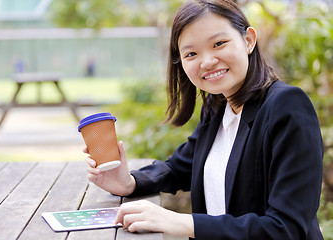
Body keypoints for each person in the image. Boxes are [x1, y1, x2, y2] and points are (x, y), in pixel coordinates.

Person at [85, 0, 324, 239]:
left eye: (219, 43)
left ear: (249, 40)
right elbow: (179, 168)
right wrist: (130, 182)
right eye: (191, 53)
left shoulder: (287, 106)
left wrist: (183, 222)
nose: (207, 61)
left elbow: (286, 228)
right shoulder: (217, 105)